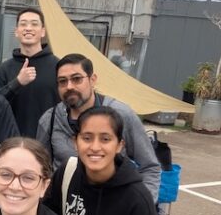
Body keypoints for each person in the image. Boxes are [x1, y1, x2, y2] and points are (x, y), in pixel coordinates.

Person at [36, 53, 161, 202]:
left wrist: (141, 207)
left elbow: (150, 167)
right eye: (62, 81)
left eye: (76, 79)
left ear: (92, 80)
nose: (69, 86)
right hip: (66, 212)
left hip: (113, 208)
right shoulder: (50, 120)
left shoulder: (120, 114)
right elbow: (40, 169)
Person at [0, 7, 60, 137]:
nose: (28, 28)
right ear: (16, 31)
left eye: (34, 24)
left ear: (43, 31)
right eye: (23, 24)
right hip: (11, 143)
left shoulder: (58, 66)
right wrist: (17, 83)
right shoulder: (4, 69)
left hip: (47, 144)